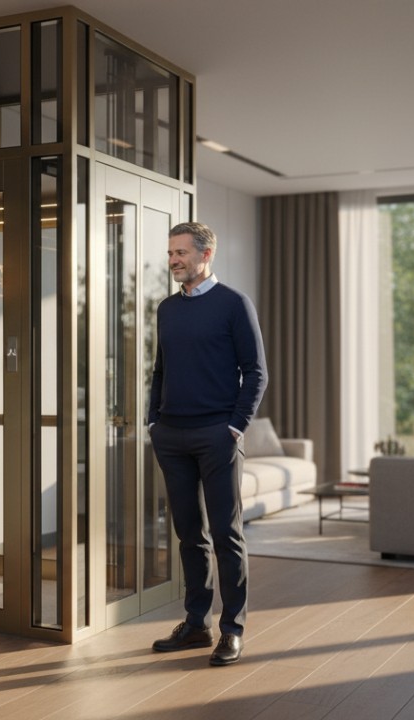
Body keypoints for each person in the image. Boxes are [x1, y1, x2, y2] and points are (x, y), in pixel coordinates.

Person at [146, 221, 267, 666]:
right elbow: (160, 370)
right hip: (171, 436)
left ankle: (232, 629)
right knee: (188, 536)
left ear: (205, 254)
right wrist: (153, 420)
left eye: (181, 253)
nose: (174, 260)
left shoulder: (235, 304)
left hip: (217, 435)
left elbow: (256, 372)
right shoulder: (166, 309)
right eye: (171, 253)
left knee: (225, 534)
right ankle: (196, 623)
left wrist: (234, 427)